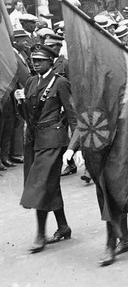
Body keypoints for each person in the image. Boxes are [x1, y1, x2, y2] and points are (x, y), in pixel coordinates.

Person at [13, 44, 77, 253]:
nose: (36, 63)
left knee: (40, 185)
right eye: (34, 60)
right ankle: (63, 227)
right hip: (34, 140)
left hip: (53, 140)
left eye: (40, 60)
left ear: (51, 62)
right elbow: (28, 117)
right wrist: (20, 102)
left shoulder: (60, 82)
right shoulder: (31, 81)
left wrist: (76, 147)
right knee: (50, 184)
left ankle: (40, 234)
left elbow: (72, 114)